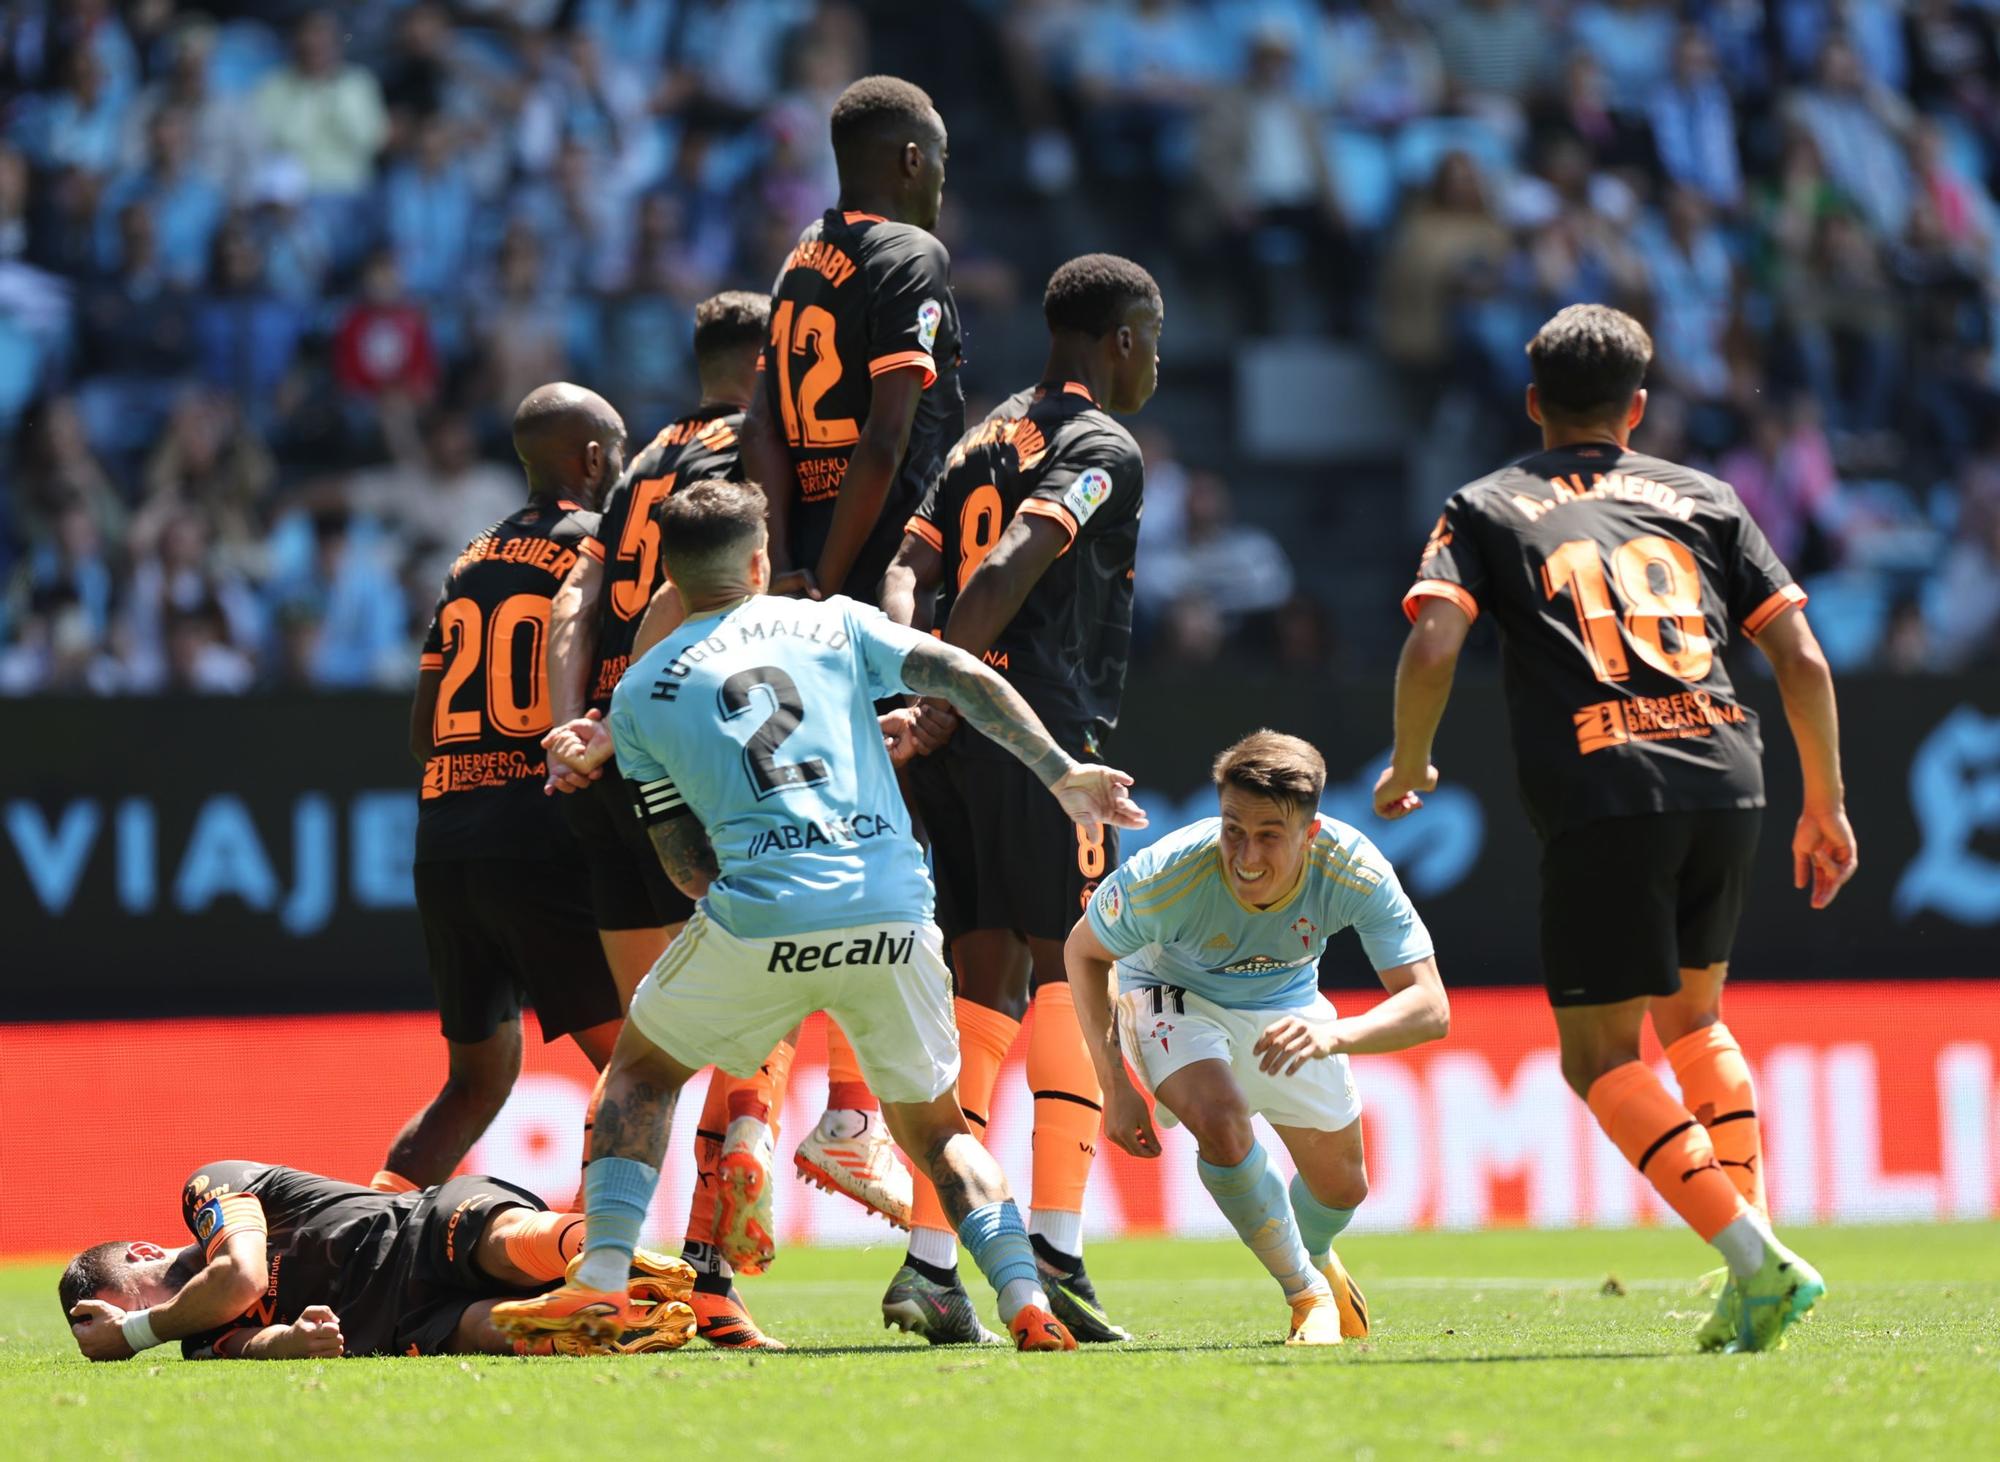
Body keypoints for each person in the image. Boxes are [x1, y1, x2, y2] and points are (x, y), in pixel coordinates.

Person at [492, 479, 1146, 1353]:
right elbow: (955, 671)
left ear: (674, 585)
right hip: (892, 914)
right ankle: (1025, 1299)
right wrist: (1059, 768)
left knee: (642, 1073)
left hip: (761, 917)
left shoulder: (643, 692)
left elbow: (688, 870)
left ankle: (605, 1281)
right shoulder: (832, 621)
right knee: (939, 1128)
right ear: (760, 562)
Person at [1377, 304, 1856, 1353]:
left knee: (1597, 1059)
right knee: (1694, 1019)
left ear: (1530, 402)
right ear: (1636, 409)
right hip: (1729, 773)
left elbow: (1430, 645)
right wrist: (1824, 801)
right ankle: (1755, 1260)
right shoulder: (1702, 494)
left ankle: (1754, 1258)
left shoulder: (1487, 502)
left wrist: (1410, 761)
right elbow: (1804, 660)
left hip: (1606, 786)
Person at [873, 253, 1161, 1344]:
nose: (1153, 362)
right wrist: (953, 685)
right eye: (1151, 338)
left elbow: (908, 563)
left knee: (980, 976)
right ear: (1120, 339)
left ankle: (933, 1261)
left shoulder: (980, 436)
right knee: (1076, 963)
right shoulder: (1099, 447)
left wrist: (921, 671)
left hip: (960, 747)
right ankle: (1053, 1248)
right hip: (1035, 737)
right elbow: (1007, 564)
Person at [544, 292, 795, 1349]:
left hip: (601, 765)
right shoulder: (751, 452)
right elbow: (685, 607)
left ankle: (610, 1276)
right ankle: (717, 1254)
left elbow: (572, 602)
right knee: (759, 1003)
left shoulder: (641, 461)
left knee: (649, 1047)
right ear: (766, 363)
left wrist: (572, 729)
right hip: (683, 748)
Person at [737, 73, 965, 1225]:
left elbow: (764, 429)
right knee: (893, 844)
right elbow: (885, 439)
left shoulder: (796, 264)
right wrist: (837, 578)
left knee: (823, 833)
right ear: (913, 160)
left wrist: (783, 556)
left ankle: (824, 1113)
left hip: (805, 564)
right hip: (882, 578)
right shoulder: (908, 263)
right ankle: (852, 1111)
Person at [1066, 732, 1448, 1346]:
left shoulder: (1352, 867)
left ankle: (1315, 1253)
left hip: (1290, 1008)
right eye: (1233, 828)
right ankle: (1307, 1295)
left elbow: (1431, 1006)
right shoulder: (1169, 874)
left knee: (1343, 1187)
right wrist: (1115, 1084)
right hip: (1172, 994)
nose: (1245, 855)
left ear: (1310, 834)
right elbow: (1082, 951)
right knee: (1220, 1118)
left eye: (1269, 835)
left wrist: (1334, 1036)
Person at [372, 384, 630, 1196]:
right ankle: (591, 1271)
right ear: (593, 459)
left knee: (476, 1084)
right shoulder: (599, 551)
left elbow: (423, 731)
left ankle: (348, 1255)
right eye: (617, 454)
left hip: (445, 835)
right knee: (638, 1069)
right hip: (536, 832)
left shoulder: (469, 559)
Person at [62, 1160, 696, 1361]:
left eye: (135, 1305)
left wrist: (134, 1334)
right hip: (397, 1324)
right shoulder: (196, 1341)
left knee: (507, 1240)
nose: (157, 1316)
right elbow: (263, 1345)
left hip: (414, 1227)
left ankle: (611, 1259)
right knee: (486, 1328)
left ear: (142, 1254)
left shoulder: (211, 1189)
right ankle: (604, 1324)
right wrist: (298, 1339)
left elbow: (240, 1276)